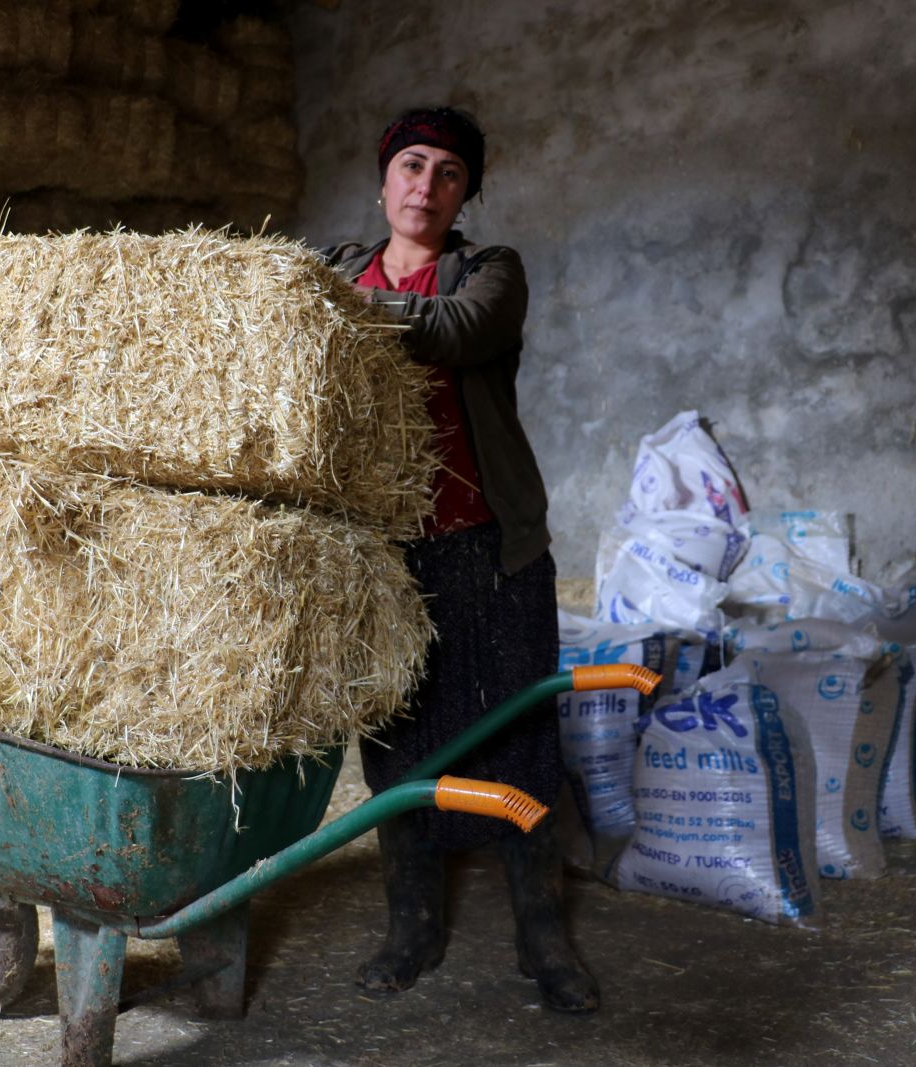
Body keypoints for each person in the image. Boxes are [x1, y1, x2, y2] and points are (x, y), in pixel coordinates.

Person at [322, 107, 599, 1014]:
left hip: (489, 544)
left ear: (466, 192)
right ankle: (411, 927)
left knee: (521, 736)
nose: (426, 186)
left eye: (448, 173)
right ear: (383, 179)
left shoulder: (489, 273)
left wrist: (346, 314)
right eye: (411, 165)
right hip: (384, 556)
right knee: (398, 740)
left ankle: (542, 936)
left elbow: (458, 332)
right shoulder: (332, 267)